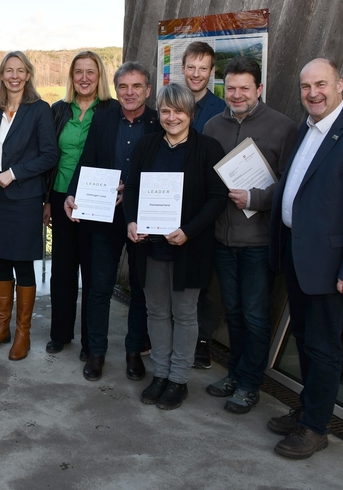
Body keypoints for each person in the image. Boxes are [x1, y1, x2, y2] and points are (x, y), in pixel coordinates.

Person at [268, 58, 343, 459]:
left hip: (330, 265)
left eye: (321, 84)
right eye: (306, 87)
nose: (312, 93)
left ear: (340, 85)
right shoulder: (307, 127)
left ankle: (316, 427)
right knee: (303, 339)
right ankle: (308, 408)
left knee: (324, 347)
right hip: (299, 256)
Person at [201, 56, 298, 413]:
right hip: (222, 239)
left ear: (259, 89)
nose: (237, 95)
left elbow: (292, 186)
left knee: (256, 315)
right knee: (235, 312)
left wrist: (255, 198)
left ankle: (250, 383)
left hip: (258, 242)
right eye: (231, 88)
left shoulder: (283, 128)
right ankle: (236, 374)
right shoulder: (212, 126)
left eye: (245, 88)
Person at [124, 83, 225, 410]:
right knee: (156, 311)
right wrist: (132, 222)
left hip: (189, 248)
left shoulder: (208, 148)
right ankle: (161, 374)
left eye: (179, 111)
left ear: (190, 113)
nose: (172, 117)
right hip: (151, 248)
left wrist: (189, 231)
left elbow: (217, 198)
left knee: (183, 314)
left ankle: (178, 379)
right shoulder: (146, 146)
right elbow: (133, 192)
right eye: (165, 111)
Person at [64, 62, 160, 379]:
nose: (129, 93)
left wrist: (132, 186)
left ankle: (134, 352)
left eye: (136, 86)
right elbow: (87, 159)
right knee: (99, 288)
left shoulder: (160, 122)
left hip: (142, 219)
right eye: (123, 87)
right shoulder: (103, 119)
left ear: (148, 90)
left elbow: (166, 172)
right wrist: (71, 193)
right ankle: (96, 353)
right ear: (116, 89)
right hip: (102, 217)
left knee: (140, 289)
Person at [0, 51, 59, 360]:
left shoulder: (39, 109)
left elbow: (49, 155)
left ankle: (22, 333)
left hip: (24, 199)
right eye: (8, 70)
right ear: (1, 76)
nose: (14, 76)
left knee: (23, 265)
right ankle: (2, 328)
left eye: (20, 70)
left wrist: (14, 174)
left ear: (28, 75)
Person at [45, 51, 115, 358]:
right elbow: (50, 157)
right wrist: (48, 200)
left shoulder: (111, 111)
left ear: (100, 76)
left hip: (98, 198)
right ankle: (60, 333)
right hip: (62, 198)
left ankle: (91, 342)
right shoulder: (58, 110)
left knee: (93, 271)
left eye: (91, 72)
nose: (84, 78)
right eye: (78, 72)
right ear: (71, 77)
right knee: (62, 269)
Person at [181, 40, 225, 369]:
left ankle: (201, 340)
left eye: (203, 69)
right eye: (191, 68)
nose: (197, 74)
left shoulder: (221, 111)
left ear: (212, 72)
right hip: (169, 202)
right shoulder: (173, 102)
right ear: (183, 69)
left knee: (204, 278)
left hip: (204, 202)